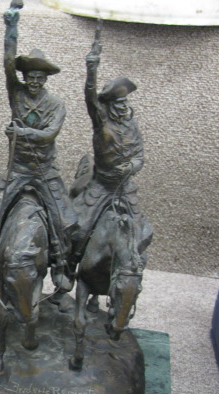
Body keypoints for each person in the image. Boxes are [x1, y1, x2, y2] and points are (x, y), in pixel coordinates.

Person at [0, 2, 77, 292]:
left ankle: (61, 266)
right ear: (25, 78)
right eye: (30, 77)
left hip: (44, 172)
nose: (34, 82)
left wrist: (21, 132)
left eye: (39, 78)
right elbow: (7, 63)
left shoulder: (57, 105)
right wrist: (11, 26)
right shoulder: (17, 93)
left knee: (63, 218)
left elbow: (49, 134)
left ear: (46, 79)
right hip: (18, 169)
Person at [69, 21, 145, 264]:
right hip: (102, 185)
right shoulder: (101, 121)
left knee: (140, 232)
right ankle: (68, 268)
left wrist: (130, 167)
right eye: (118, 104)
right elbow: (90, 96)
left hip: (124, 186)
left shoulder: (132, 126)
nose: (123, 107)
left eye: (125, 103)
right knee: (79, 229)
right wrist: (92, 68)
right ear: (109, 105)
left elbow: (140, 156)